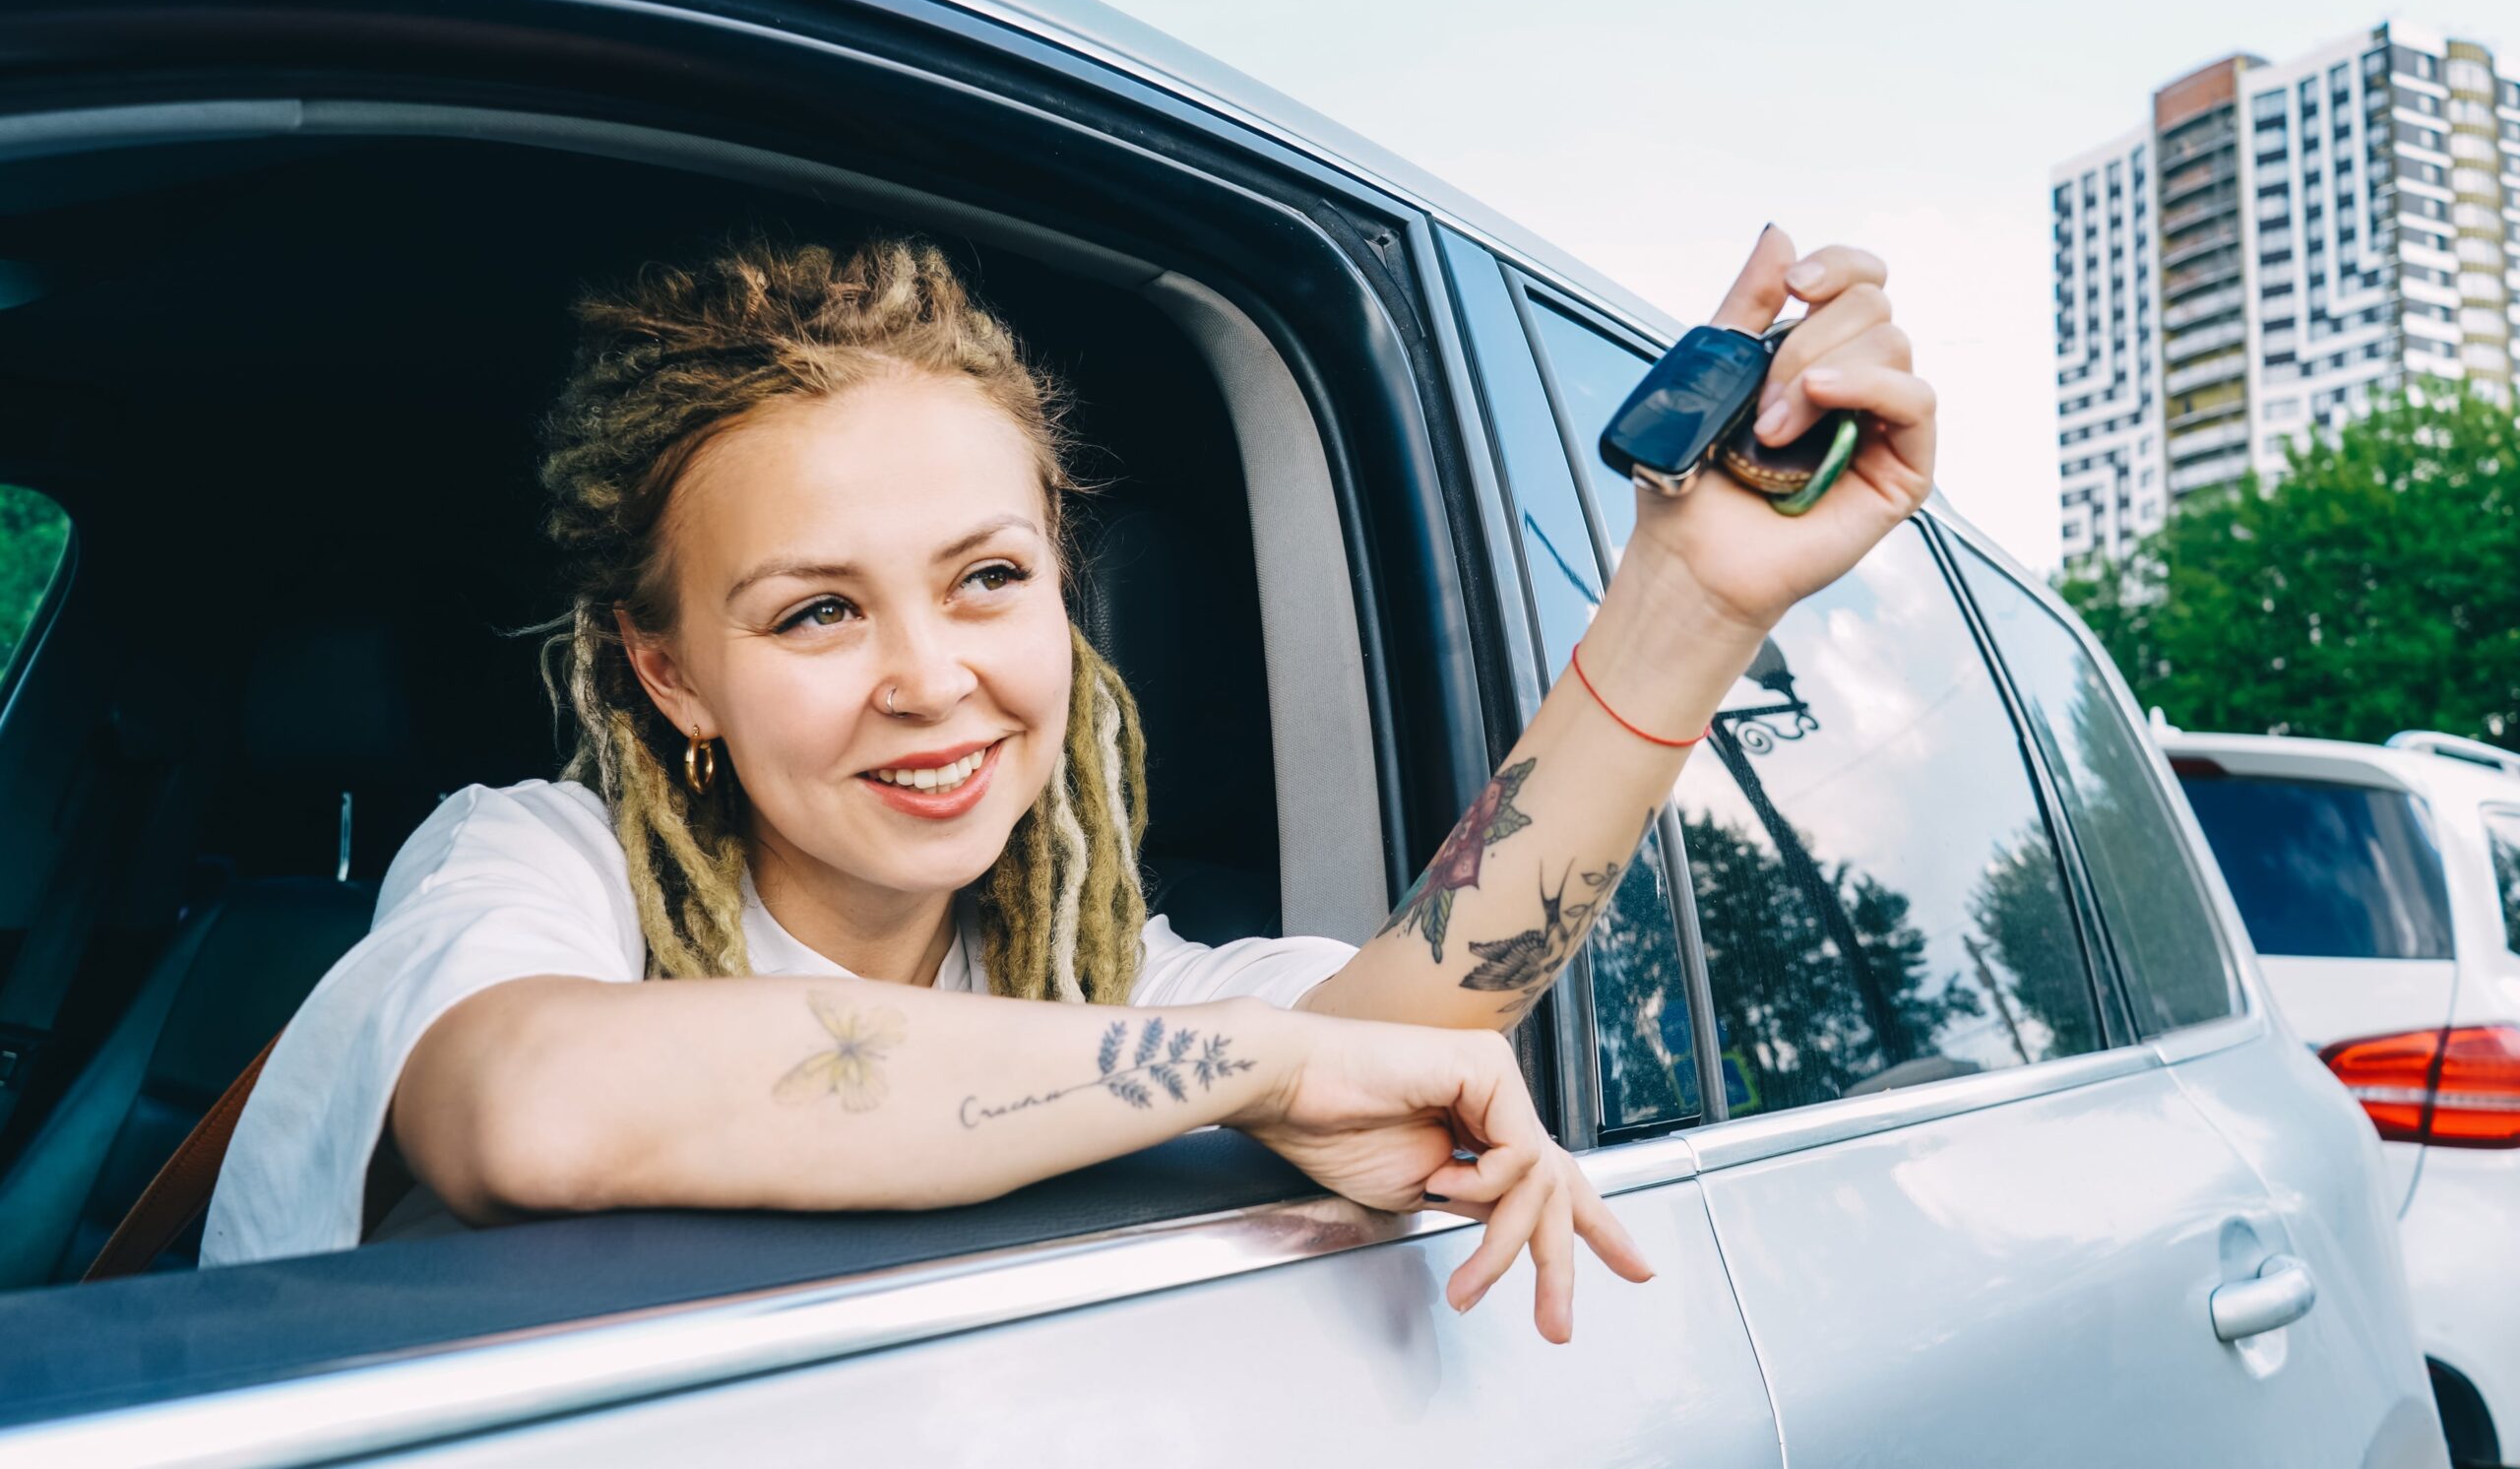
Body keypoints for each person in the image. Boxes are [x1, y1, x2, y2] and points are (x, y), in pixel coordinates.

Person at [201, 224, 1933, 1344]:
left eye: (988, 579)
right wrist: (1258, 1063)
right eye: (816, 609)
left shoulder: (1091, 972)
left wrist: (1686, 608)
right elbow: (537, 1112)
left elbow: (1420, 1028)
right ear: (671, 675)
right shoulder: (532, 864)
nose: (932, 678)